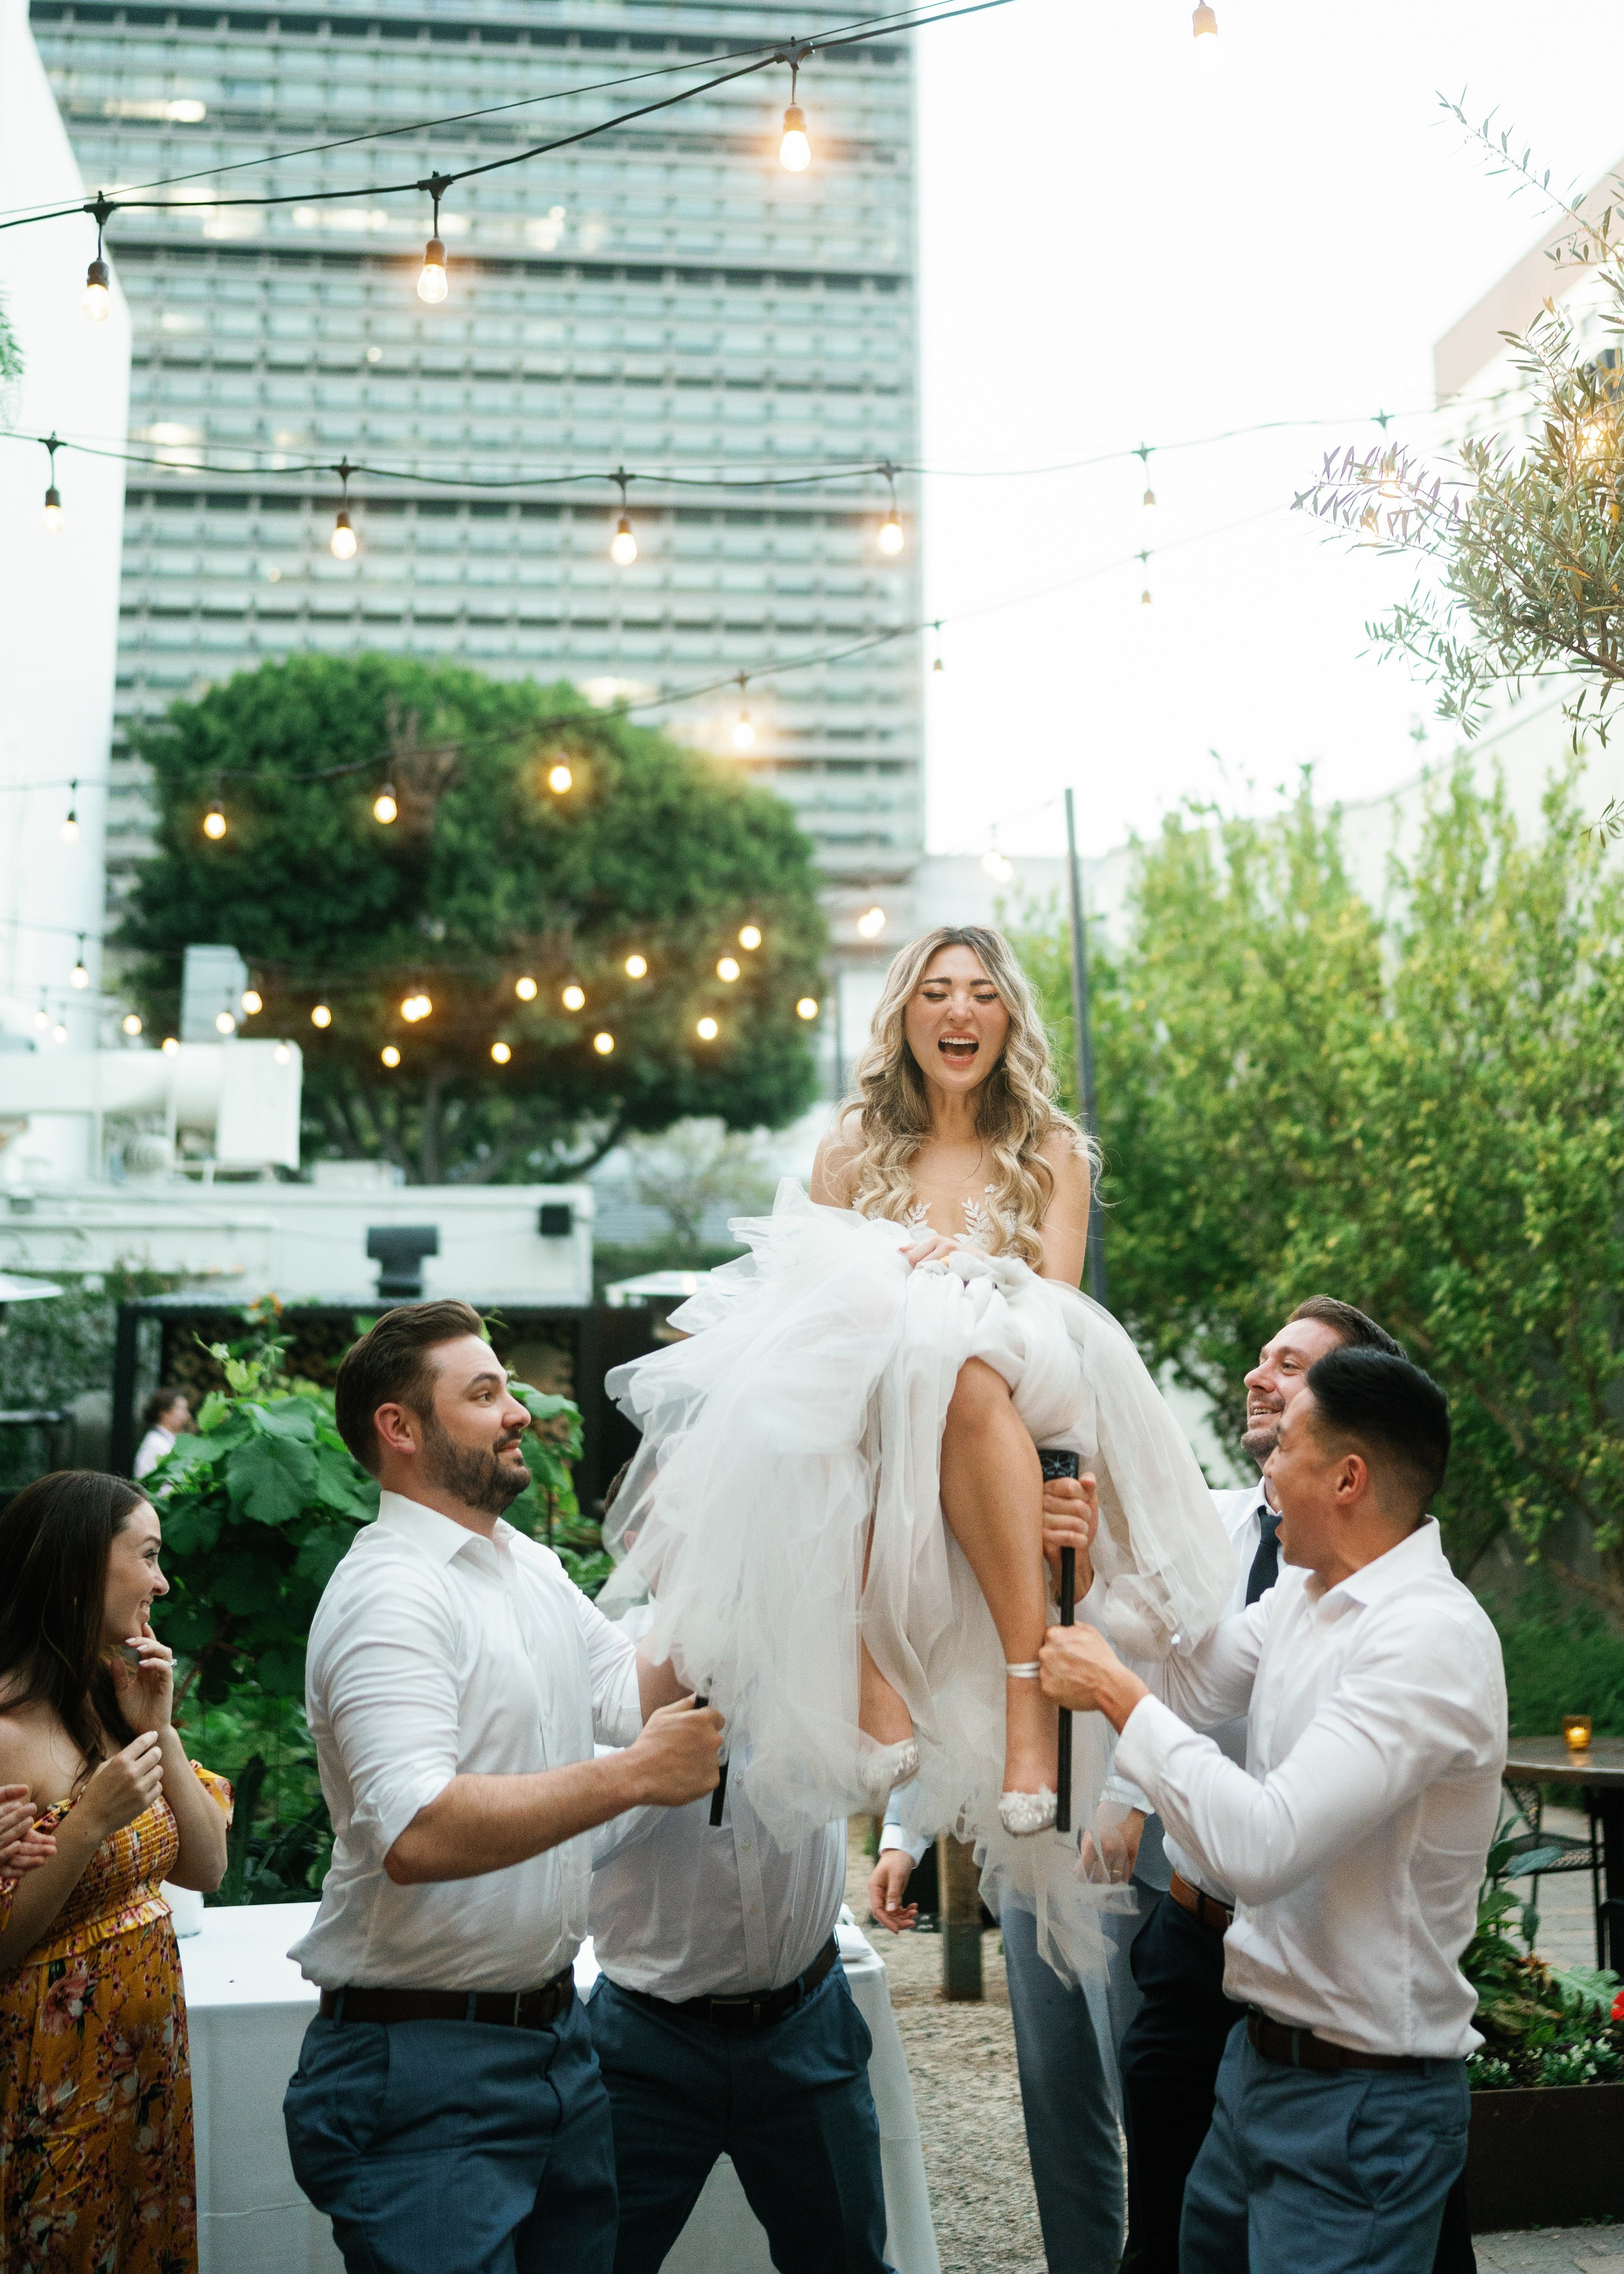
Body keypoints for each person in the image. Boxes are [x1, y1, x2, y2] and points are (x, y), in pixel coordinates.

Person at [603, 926, 1233, 1985]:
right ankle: (870, 1659)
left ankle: (1027, 1693)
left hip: (1018, 1369)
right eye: (936, 992)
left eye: (981, 993)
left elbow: (1060, 1312)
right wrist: (894, 1287)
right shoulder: (851, 1148)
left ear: (1008, 1016)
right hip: (879, 1396)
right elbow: (811, 1309)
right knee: (856, 1342)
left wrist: (957, 1279)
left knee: (957, 1349)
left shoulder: (1051, 1148)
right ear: (903, 1015)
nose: (959, 1011)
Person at [1040, 1347, 1507, 2274]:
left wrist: (1119, 1698)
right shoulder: (1306, 1589)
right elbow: (1189, 1684)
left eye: (1284, 1446)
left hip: (1363, 2106)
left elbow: (1264, 1844)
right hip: (1255, 2070)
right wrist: (1085, 1583)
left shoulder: (1428, 1639)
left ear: (1347, 1478)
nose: (1266, 1470)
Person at [282, 1300, 724, 2274]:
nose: (519, 1410)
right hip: (423, 2067)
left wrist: (723, 1554)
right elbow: (418, 1833)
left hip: (555, 2043)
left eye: (508, 1390)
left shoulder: (522, 1562)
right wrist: (635, 1777)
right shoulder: (390, 1593)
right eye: (484, 1394)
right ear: (400, 1428)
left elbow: (632, 1693)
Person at [1106, 1297, 1404, 2274]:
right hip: (1194, 1945)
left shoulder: (1401, 1612)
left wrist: (1118, 1702)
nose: (1255, 1376)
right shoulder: (1215, 1533)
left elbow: (1274, 1827)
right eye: (1262, 1356)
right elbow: (1172, 1677)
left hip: (1328, 1964)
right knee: (1166, 2239)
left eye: (1290, 1365)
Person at [0, 1470, 232, 2273]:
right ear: (77, 1566)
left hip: (145, 2069)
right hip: (52, 2080)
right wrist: (90, 1820)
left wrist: (158, 1728)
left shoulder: (113, 1695)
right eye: (149, 1555)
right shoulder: (7, 1733)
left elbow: (207, 1867)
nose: (162, 1582)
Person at [589, 1692, 891, 2274]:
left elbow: (884, 1755)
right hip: (646, 2043)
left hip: (806, 2024)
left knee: (847, 2260)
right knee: (598, 2257)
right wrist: (652, 1769)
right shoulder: (612, 1672)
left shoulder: (808, 1659)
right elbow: (577, 1848)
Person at [133, 1387, 193, 1480]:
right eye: (182, 1410)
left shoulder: (164, 1440)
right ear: (164, 1413)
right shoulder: (157, 1444)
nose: (188, 1416)